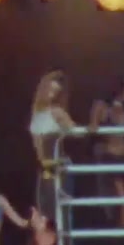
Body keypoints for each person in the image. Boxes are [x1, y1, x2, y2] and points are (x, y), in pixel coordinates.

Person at [89, 76, 124, 230]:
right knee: (123, 198)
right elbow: (93, 127)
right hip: (112, 155)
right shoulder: (100, 106)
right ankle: (122, 230)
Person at [29, 70, 80, 221]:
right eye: (50, 89)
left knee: (61, 214)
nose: (51, 94)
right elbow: (37, 144)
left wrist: (65, 130)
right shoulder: (36, 113)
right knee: (45, 213)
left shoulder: (57, 112)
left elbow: (76, 132)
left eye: (56, 91)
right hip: (45, 167)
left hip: (58, 164)